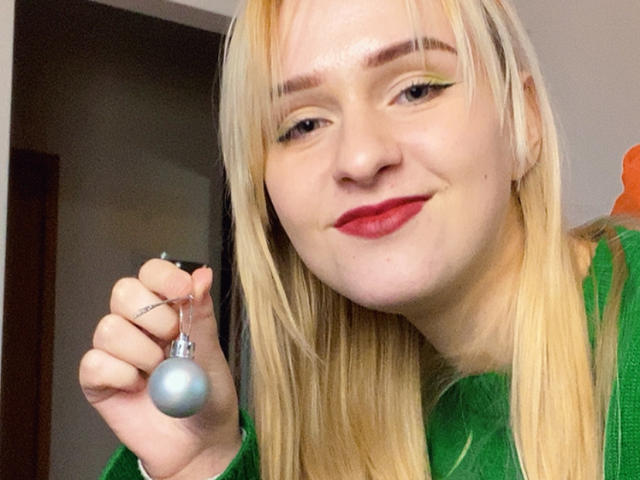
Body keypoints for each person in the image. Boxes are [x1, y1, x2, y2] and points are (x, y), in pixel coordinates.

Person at [79, 0, 640, 479]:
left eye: (416, 90)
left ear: (524, 122)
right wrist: (202, 464)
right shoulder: (350, 426)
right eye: (303, 125)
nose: (361, 158)